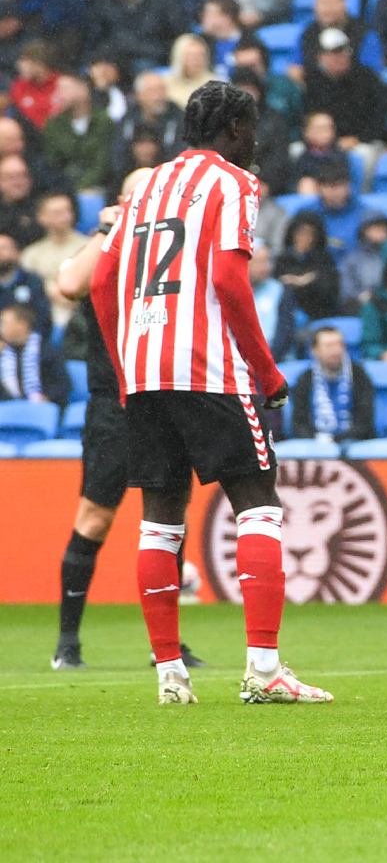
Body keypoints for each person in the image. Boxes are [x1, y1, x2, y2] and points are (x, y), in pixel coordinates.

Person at [90, 81, 331, 706]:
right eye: (250, 130)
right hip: (206, 368)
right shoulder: (234, 183)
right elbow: (228, 277)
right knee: (258, 504)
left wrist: (124, 366)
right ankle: (264, 670)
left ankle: (171, 675)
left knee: (160, 522)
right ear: (232, 131)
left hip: (143, 368)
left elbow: (102, 282)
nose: (256, 143)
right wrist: (267, 371)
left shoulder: (144, 187)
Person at [50, 179, 208, 671]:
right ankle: (67, 643)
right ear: (121, 201)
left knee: (169, 519)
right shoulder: (108, 242)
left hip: (163, 395)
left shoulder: (172, 241)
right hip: (113, 402)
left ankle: (168, 645)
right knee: (95, 518)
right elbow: (71, 285)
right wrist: (105, 226)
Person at [288, 325, 377, 442]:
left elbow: (365, 421)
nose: (336, 351)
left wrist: (336, 440)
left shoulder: (359, 375)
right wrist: (318, 439)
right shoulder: (305, 379)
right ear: (314, 350)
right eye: (329, 346)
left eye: (339, 345)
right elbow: (299, 423)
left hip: (354, 443)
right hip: (315, 445)